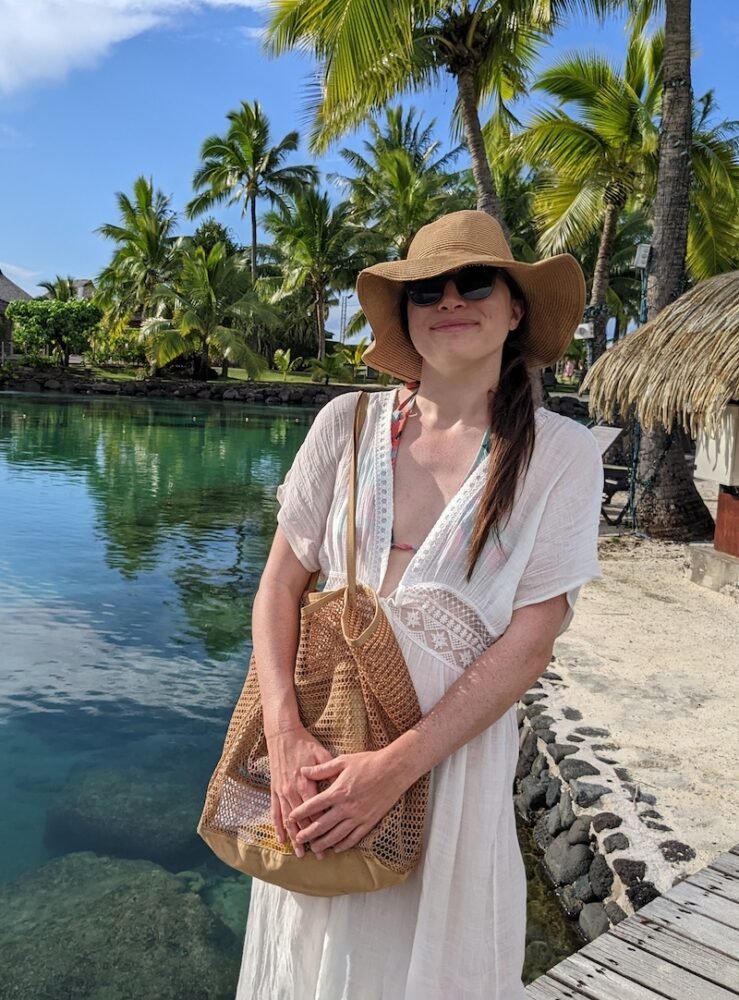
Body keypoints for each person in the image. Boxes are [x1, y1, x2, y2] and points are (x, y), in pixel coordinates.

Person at [236, 210, 602, 999]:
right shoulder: (347, 422)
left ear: (514, 310)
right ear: (403, 315)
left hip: (452, 772)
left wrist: (394, 771)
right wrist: (285, 735)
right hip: (322, 756)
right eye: (424, 288)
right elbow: (277, 586)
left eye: (474, 282)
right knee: (310, 957)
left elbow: (531, 642)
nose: (448, 299)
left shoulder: (560, 456)